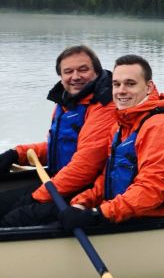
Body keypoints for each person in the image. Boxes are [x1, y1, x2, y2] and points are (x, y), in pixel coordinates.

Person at [58, 54, 164, 231]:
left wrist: (99, 214)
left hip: (152, 222)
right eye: (116, 84)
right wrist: (82, 203)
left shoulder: (163, 127)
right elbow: (108, 178)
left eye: (130, 84)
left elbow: (150, 190)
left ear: (148, 87)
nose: (121, 90)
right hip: (121, 214)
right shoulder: (121, 126)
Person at [0, 45, 115, 227]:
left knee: (11, 219)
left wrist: (38, 195)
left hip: (87, 192)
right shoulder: (68, 102)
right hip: (62, 184)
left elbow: (85, 166)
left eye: (83, 69)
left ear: (96, 72)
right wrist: (17, 154)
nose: (75, 77)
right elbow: (59, 147)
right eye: (68, 71)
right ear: (61, 77)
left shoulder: (105, 106)